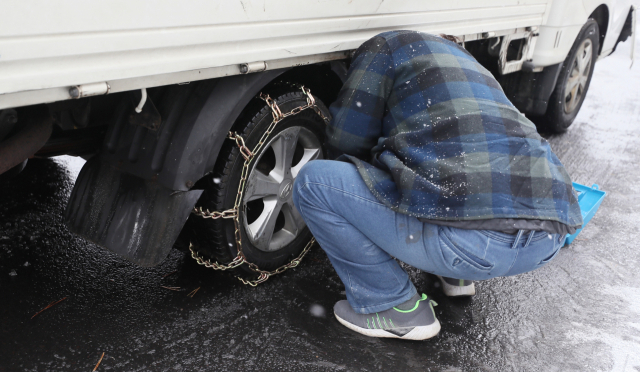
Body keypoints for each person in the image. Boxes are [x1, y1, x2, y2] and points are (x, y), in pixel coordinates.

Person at [291, 31, 583, 341]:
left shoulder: (384, 48)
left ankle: (392, 306)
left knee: (314, 183)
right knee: (458, 166)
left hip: (472, 243)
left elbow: (347, 139)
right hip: (550, 233)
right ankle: (456, 277)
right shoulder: (469, 65)